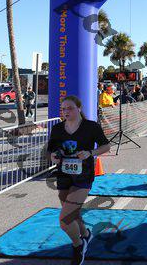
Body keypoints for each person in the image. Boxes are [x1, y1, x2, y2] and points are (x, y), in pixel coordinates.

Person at [48, 95, 111, 265]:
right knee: (73, 212)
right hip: (63, 175)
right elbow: (51, 150)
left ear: (79, 108)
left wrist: (90, 153)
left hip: (83, 175)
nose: (66, 111)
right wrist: (53, 156)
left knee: (65, 219)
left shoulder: (91, 127)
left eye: (69, 108)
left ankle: (78, 245)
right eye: (63, 109)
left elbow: (106, 146)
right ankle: (86, 234)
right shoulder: (57, 128)